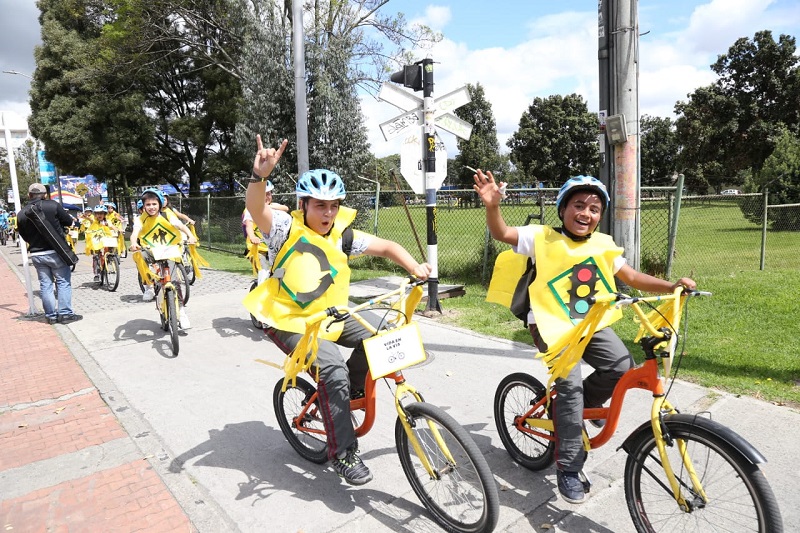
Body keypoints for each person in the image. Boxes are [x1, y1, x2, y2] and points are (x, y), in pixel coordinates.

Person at [474, 171, 696, 504]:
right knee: (570, 386)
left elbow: (631, 276)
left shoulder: (603, 245)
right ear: (563, 209)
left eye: (594, 209)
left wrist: (672, 287)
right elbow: (502, 232)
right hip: (550, 323)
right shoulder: (541, 237)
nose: (586, 213)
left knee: (622, 368)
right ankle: (568, 466)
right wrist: (493, 207)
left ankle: (577, 409)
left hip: (590, 323)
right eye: (578, 205)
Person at [245, 136, 431, 486]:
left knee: (383, 335)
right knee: (331, 366)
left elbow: (387, 246)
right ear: (304, 204)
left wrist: (414, 267)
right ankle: (344, 454)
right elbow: (257, 209)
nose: (328, 213)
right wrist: (259, 176)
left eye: (333, 206)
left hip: (330, 316)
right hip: (289, 320)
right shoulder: (284, 228)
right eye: (320, 206)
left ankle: (347, 391)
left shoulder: (343, 235)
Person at [129, 188, 197, 328]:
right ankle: (149, 286)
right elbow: (135, 232)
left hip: (170, 249)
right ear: (143, 206)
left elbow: (179, 225)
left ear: (160, 204)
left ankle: (182, 312)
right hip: (152, 251)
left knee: (174, 282)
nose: (151, 207)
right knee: (140, 257)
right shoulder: (140, 219)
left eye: (154, 204)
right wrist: (134, 243)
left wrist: (190, 235)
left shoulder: (168, 215)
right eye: (148, 205)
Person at [16, 183, 83, 324]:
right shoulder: (53, 205)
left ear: (29, 195)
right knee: (63, 282)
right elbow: (68, 221)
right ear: (45, 194)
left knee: (45, 285)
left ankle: (51, 316)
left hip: (36, 254)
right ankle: (65, 314)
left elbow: (23, 235)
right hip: (56, 251)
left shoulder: (21, 213)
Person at [242, 179, 288, 284]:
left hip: (273, 249)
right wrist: (253, 237)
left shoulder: (273, 207)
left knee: (281, 273)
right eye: (264, 194)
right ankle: (260, 293)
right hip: (257, 249)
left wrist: (270, 207)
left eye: (269, 194)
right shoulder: (251, 209)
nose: (267, 197)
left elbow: (285, 208)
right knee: (264, 272)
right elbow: (248, 225)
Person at [84, 204, 117, 282]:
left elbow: (112, 226)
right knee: (96, 255)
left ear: (105, 214)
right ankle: (96, 274)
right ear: (95, 215)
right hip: (97, 240)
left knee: (110, 249)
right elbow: (90, 221)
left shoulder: (107, 221)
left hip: (105, 238)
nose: (99, 215)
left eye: (101, 213)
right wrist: (86, 218)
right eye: (97, 213)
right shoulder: (94, 221)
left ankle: (110, 261)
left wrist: (118, 230)